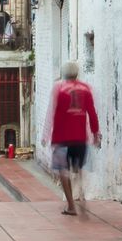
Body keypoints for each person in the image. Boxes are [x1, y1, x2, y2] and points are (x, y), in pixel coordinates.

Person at [44, 61, 100, 216]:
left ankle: (71, 206)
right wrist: (95, 133)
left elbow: (53, 114)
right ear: (77, 73)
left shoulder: (59, 89)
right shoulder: (86, 89)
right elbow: (92, 113)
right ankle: (80, 191)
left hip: (62, 138)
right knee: (77, 167)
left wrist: (48, 136)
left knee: (63, 171)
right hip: (80, 138)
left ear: (64, 74)